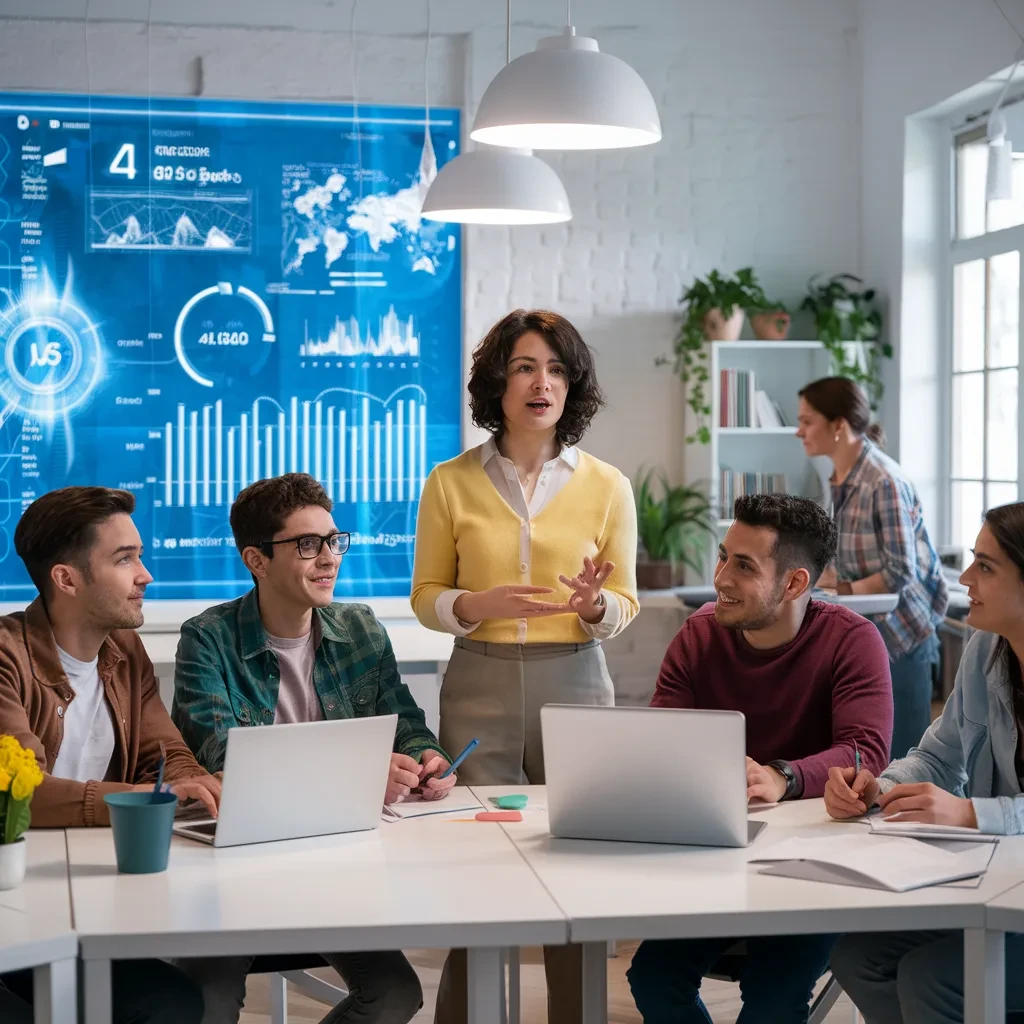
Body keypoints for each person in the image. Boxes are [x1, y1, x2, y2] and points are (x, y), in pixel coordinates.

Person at [411, 309, 639, 1024]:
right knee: (478, 864)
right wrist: (472, 602)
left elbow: (626, 601)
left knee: (575, 863)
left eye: (557, 369)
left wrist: (597, 606)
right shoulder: (449, 481)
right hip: (477, 680)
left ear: (573, 386)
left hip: (576, 678)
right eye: (524, 367)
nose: (542, 383)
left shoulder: (607, 485)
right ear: (496, 383)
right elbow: (424, 597)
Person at [172, 472, 452, 1024]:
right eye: (307, 545)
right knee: (205, 1002)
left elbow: (405, 722)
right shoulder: (207, 638)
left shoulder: (360, 627)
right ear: (257, 560)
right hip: (234, 864)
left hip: (335, 861)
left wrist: (426, 758)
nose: (328, 558)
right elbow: (225, 759)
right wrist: (366, 774)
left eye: (332, 541)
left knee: (396, 994)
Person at [627, 493, 893, 1024]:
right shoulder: (699, 635)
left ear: (795, 583)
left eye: (743, 566)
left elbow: (865, 749)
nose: (721, 576)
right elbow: (662, 740)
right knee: (652, 978)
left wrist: (784, 776)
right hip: (716, 856)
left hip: (815, 867)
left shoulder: (853, 640)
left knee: (773, 997)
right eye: (724, 556)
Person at [0, 486, 221, 1024]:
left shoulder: (124, 649)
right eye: (125, 559)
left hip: (89, 894)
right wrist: (142, 800)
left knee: (173, 1005)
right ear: (66, 578)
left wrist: (195, 783)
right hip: (13, 900)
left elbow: (163, 748)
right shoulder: (6, 655)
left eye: (139, 556)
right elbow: (17, 789)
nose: (145, 575)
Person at [827, 501, 1024, 1022]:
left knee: (932, 978)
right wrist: (878, 785)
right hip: (1000, 886)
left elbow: (971, 810)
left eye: (985, 566)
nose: (963, 579)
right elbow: (938, 756)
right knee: (855, 956)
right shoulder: (985, 650)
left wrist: (972, 815)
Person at [796, 376, 948, 758]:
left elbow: (900, 570)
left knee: (906, 758)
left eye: (807, 421)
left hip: (904, 638)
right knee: (870, 755)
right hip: (871, 633)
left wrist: (842, 589)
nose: (799, 431)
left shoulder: (883, 480)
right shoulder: (840, 479)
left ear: (839, 426)